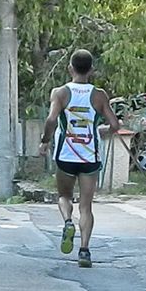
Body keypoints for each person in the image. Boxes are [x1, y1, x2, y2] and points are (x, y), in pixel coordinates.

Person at [39, 49, 120, 267]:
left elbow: (51, 120)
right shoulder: (99, 95)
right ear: (91, 70)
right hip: (90, 157)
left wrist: (45, 140)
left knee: (64, 196)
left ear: (70, 68)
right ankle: (84, 251)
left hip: (66, 155)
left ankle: (67, 221)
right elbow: (114, 125)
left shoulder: (60, 93)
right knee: (86, 206)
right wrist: (99, 131)